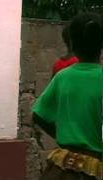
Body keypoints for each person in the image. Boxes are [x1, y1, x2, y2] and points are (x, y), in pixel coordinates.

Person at [33, 13, 102, 180]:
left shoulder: (62, 76)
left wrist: (61, 134)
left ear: (72, 44)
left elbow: (38, 114)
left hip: (63, 166)